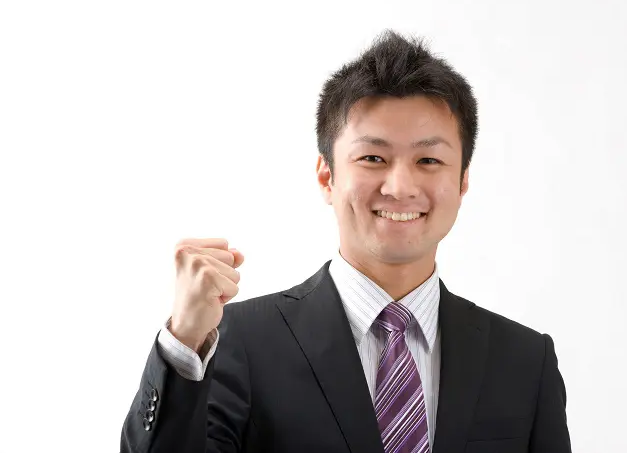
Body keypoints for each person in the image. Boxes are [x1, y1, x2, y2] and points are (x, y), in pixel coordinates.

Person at [120, 30, 571, 453]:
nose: (400, 187)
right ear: (327, 177)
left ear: (462, 181)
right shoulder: (237, 342)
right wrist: (184, 339)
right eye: (373, 157)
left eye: (429, 160)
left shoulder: (524, 363)